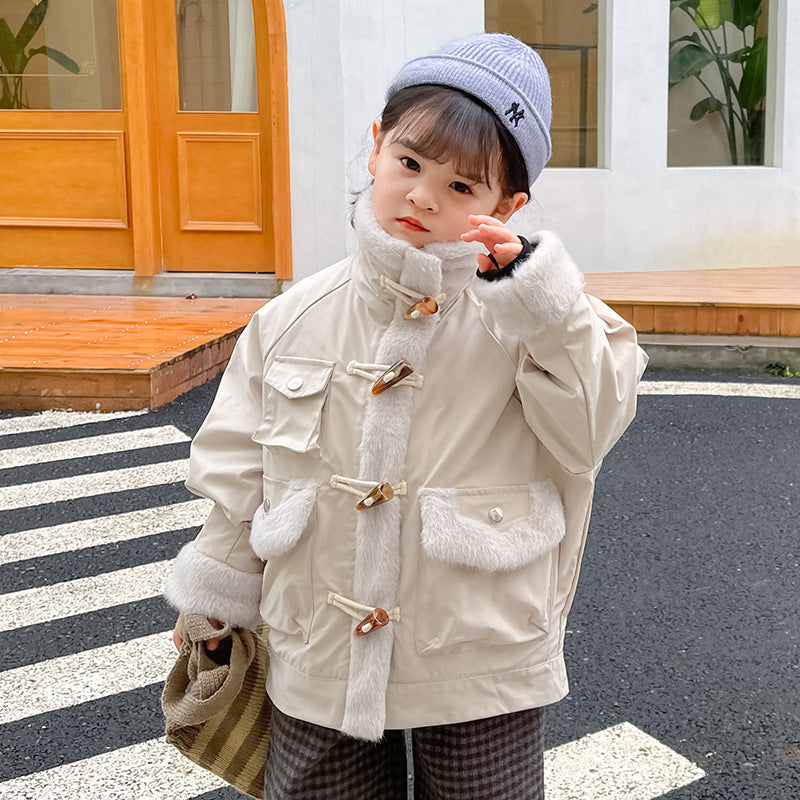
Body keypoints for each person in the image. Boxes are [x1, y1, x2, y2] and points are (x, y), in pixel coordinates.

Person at [165, 32, 647, 800]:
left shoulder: (541, 323)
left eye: (463, 187)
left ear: (508, 206)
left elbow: (589, 433)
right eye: (411, 163)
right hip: (316, 641)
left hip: (478, 650)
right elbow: (237, 469)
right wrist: (213, 600)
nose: (423, 196)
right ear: (376, 150)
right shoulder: (293, 317)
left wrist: (542, 304)